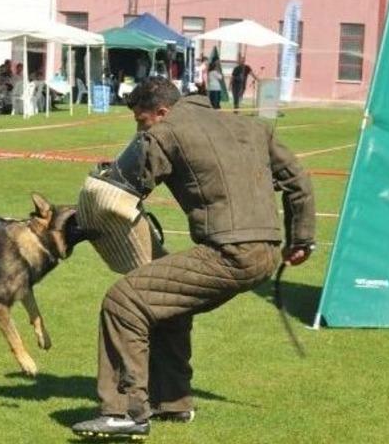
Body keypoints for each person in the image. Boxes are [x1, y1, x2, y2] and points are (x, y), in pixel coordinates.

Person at [71, 77, 316, 440]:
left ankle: (125, 413)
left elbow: (123, 187)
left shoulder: (166, 131)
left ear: (162, 111)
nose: (140, 130)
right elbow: (298, 180)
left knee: (124, 302)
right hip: (265, 251)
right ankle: (173, 401)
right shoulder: (251, 125)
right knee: (166, 304)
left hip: (228, 252)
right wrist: (302, 239)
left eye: (141, 121)